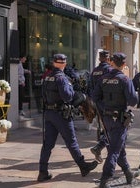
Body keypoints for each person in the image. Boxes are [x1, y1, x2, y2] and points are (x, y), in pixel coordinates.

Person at [37, 54, 98, 182]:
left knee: (47, 144)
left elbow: (42, 95)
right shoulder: (62, 78)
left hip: (49, 113)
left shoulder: (47, 77)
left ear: (54, 63)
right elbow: (68, 97)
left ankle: (42, 171)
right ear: (64, 64)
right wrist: (73, 90)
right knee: (71, 141)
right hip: (61, 114)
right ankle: (83, 166)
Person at [92, 52, 140, 188]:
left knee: (119, 147)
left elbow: (95, 97)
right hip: (119, 119)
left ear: (112, 63)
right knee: (114, 149)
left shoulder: (103, 79)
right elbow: (133, 101)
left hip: (106, 118)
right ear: (124, 64)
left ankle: (128, 173)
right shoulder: (125, 80)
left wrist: (105, 108)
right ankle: (105, 178)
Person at [90, 50, 113, 163]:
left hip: (98, 103)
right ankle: (99, 148)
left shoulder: (94, 71)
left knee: (103, 126)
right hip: (108, 103)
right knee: (112, 128)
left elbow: (90, 87)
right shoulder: (109, 70)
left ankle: (100, 148)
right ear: (108, 59)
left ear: (99, 59)